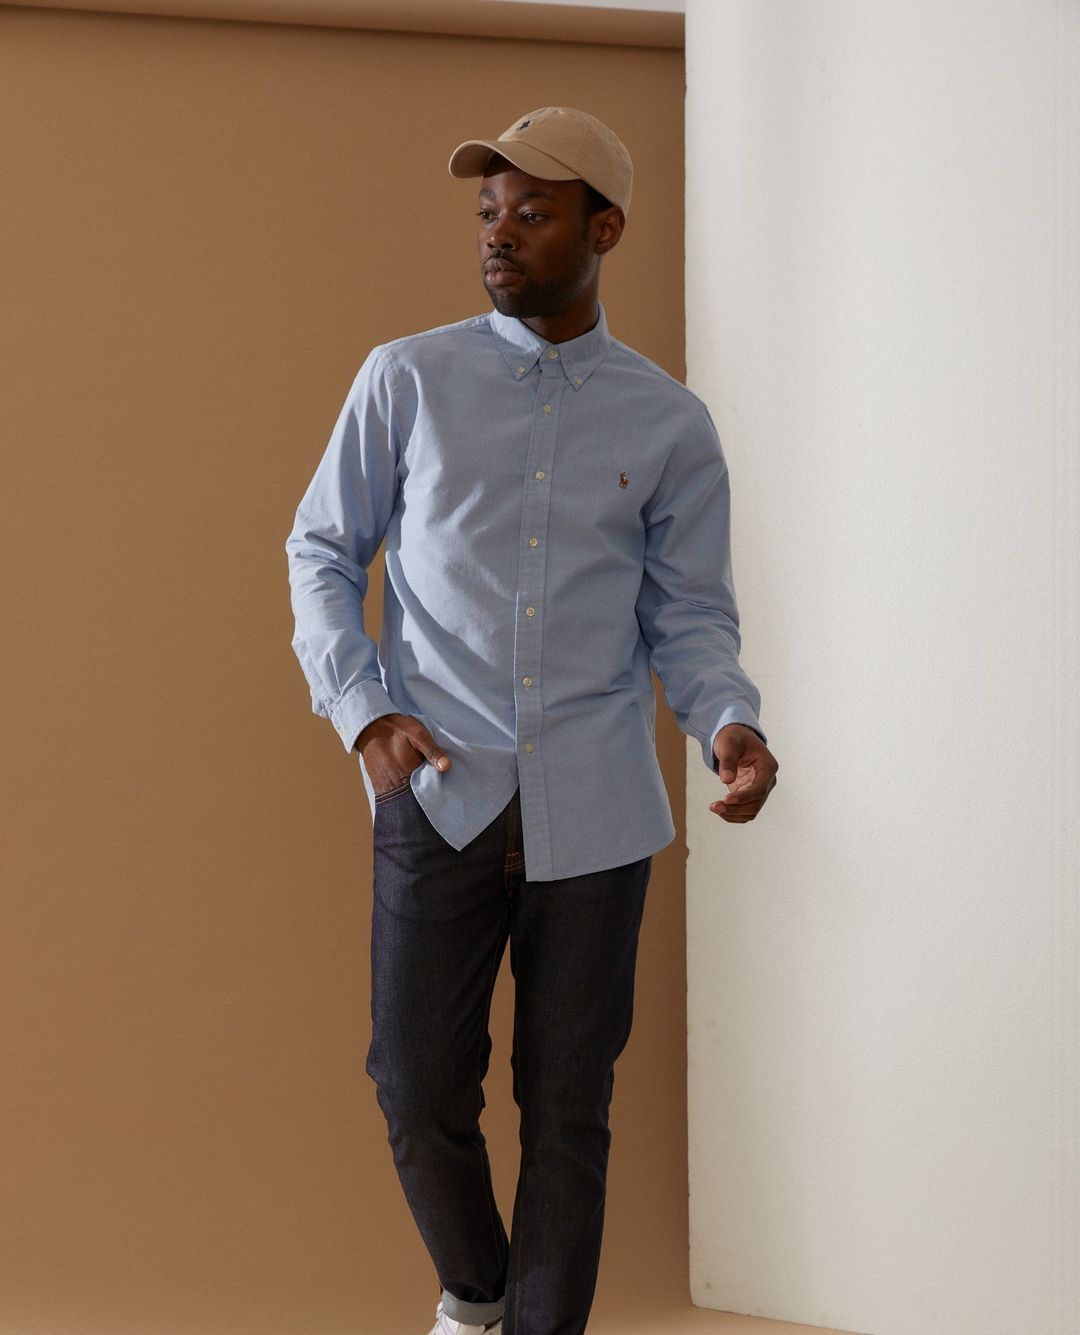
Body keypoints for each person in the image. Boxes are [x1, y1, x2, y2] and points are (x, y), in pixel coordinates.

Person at [284, 106, 779, 1335]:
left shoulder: (669, 422)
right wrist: (365, 713)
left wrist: (726, 720)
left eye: (533, 213)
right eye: (489, 213)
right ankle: (477, 1294)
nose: (499, 235)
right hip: (437, 790)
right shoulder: (406, 379)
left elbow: (690, 614)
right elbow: (322, 551)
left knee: (567, 1110)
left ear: (603, 231)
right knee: (416, 1088)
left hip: (598, 811)